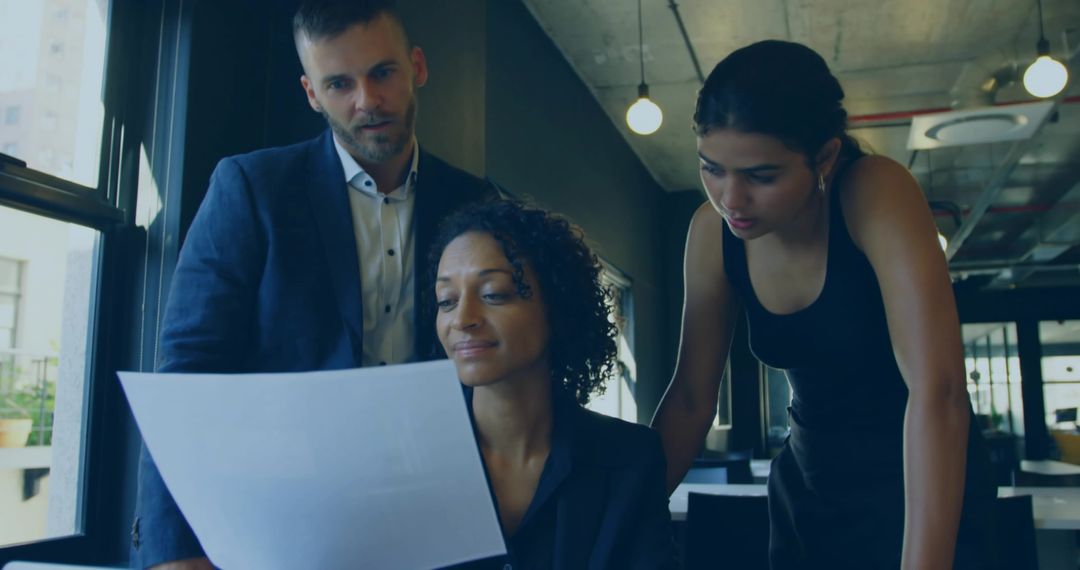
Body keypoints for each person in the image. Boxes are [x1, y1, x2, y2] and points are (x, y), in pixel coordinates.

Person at [131, 1, 497, 568]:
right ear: (311, 92)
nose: (366, 101)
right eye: (339, 83)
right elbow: (187, 370)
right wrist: (172, 548)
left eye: (382, 73)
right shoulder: (251, 188)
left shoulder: (476, 201)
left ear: (417, 67)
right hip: (280, 520)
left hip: (439, 513)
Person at [651, 40, 994, 569]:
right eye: (712, 168)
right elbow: (693, 397)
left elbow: (938, 391)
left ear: (826, 156)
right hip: (809, 492)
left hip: (926, 485)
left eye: (761, 176)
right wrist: (621, 514)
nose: (730, 199)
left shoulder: (875, 192)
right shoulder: (710, 233)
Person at [431, 200, 676, 569]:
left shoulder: (630, 459)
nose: (461, 319)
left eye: (494, 294)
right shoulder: (411, 464)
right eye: (446, 300)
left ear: (558, 307)